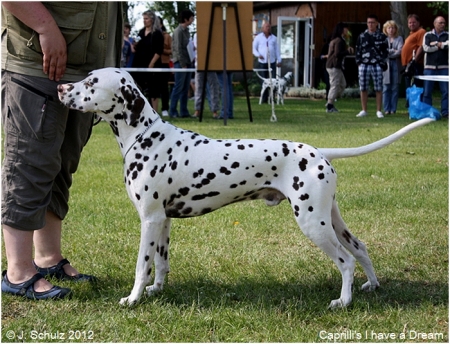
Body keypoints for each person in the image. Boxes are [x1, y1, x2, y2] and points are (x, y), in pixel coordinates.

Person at [1, 2, 124, 299]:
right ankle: (17, 273)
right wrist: (45, 27)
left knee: (61, 162)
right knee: (29, 161)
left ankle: (47, 259)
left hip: (84, 68)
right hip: (35, 60)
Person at [355, 14, 388, 118]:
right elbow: (357, 50)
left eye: (372, 22)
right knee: (363, 87)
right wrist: (359, 63)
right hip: (364, 64)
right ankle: (364, 110)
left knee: (378, 87)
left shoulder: (382, 36)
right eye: (369, 22)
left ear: (377, 23)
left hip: (377, 64)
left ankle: (378, 110)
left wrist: (381, 63)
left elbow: (385, 51)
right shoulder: (362, 36)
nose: (370, 24)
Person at [131, 11, 164, 111]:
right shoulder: (141, 32)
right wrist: (134, 46)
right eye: (143, 19)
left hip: (152, 65)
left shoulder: (157, 34)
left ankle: (155, 111)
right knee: (138, 87)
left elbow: (159, 51)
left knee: (153, 90)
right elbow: (136, 47)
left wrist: (152, 64)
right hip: (139, 63)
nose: (144, 21)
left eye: (146, 19)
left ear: (152, 20)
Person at [169, 9, 195, 118]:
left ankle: (184, 111)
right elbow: (177, 48)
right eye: (191, 18)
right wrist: (182, 63)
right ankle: (173, 111)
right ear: (186, 19)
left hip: (188, 61)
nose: (193, 20)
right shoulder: (178, 31)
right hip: (180, 63)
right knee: (178, 87)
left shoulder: (186, 31)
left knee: (185, 88)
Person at [422, 16, 449, 118]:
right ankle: (427, 112)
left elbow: (448, 45)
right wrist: (441, 46)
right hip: (429, 67)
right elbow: (426, 48)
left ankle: (446, 112)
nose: (443, 25)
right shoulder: (427, 35)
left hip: (444, 67)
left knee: (446, 91)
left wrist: (437, 44)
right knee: (427, 91)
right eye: (440, 23)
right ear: (434, 24)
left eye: (444, 23)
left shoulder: (448, 35)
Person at [325, 23, 354, 113]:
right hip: (334, 66)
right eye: (346, 29)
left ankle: (330, 100)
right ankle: (330, 106)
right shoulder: (338, 41)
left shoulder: (339, 40)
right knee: (335, 85)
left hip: (336, 66)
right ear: (341, 30)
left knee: (343, 84)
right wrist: (347, 52)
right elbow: (337, 54)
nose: (347, 31)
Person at [192, 33, 221, 119]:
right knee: (199, 88)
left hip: (211, 65)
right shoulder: (197, 35)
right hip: (199, 65)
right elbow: (197, 47)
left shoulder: (214, 34)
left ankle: (214, 111)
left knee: (214, 88)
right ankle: (198, 110)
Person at [252, 22, 282, 103]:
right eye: (266, 27)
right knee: (264, 82)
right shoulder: (258, 38)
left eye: (269, 27)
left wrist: (279, 60)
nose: (268, 28)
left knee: (273, 81)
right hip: (262, 62)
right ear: (262, 28)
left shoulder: (274, 38)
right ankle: (264, 98)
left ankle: (272, 98)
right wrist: (258, 55)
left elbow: (277, 50)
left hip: (272, 62)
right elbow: (253, 48)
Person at [382, 20, 404, 115]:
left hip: (396, 64)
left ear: (395, 29)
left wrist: (389, 52)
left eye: (393, 28)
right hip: (386, 64)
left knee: (395, 87)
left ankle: (393, 109)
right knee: (386, 87)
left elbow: (399, 51)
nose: (391, 30)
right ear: (386, 29)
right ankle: (386, 109)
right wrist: (392, 51)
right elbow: (383, 52)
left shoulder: (399, 39)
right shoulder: (383, 39)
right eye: (389, 28)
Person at [401, 14, 426, 91]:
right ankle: (410, 103)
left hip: (415, 65)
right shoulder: (411, 34)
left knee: (415, 88)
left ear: (418, 23)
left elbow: (421, 47)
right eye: (410, 23)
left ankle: (415, 103)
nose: (411, 24)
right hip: (407, 65)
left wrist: (414, 62)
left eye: (414, 22)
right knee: (409, 88)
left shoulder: (421, 32)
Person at [159, 18, 172, 117]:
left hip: (164, 63)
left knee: (164, 87)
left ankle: (165, 108)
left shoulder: (167, 36)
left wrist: (160, 50)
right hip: (152, 64)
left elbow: (171, 50)